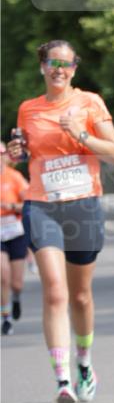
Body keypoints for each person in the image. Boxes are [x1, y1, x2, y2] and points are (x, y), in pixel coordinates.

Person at [7, 40, 114, 403]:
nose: (59, 68)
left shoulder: (89, 103)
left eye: (66, 63)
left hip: (83, 207)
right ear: (42, 66)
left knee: (80, 296)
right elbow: (26, 152)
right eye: (52, 62)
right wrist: (17, 152)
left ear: (75, 68)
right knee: (54, 292)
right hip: (42, 206)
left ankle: (85, 364)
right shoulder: (27, 109)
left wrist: (81, 132)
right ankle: (62, 381)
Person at [1, 142, 29, 335]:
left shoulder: (14, 177)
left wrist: (11, 206)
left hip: (15, 231)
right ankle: (6, 318)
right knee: (3, 276)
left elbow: (28, 204)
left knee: (16, 283)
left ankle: (16, 297)